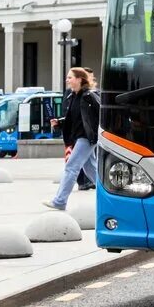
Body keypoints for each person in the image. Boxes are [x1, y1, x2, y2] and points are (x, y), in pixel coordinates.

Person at [43, 67, 100, 211]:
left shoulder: (89, 96)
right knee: (91, 169)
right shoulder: (72, 96)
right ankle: (111, 194)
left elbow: (102, 114)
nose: (67, 80)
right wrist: (60, 122)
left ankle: (60, 201)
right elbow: (74, 118)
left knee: (71, 167)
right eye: (67, 77)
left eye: (70, 77)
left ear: (80, 79)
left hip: (86, 137)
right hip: (78, 136)